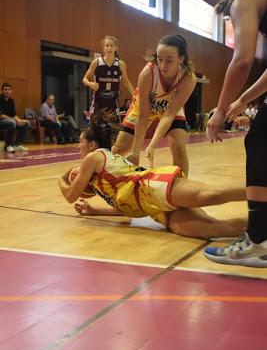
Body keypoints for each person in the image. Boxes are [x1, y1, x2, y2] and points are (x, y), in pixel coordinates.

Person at [59, 112, 247, 241]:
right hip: (154, 209)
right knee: (213, 229)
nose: (78, 146)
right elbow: (127, 208)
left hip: (152, 185)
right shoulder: (103, 180)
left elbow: (70, 196)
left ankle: (259, 189)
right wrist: (95, 211)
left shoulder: (94, 157)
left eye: (80, 142)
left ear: (92, 144)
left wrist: (62, 178)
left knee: (209, 195)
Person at [205, 0, 267, 267]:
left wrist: (219, 110)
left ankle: (258, 241)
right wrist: (242, 99)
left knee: (259, 142)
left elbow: (242, 60)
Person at [112, 34, 196, 176]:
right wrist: (135, 152)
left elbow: (169, 115)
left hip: (168, 109)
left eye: (169, 60)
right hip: (143, 109)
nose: (163, 65)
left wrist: (152, 145)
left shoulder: (188, 78)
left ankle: (181, 190)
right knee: (120, 148)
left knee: (179, 148)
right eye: (160, 59)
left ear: (181, 59)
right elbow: (143, 116)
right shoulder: (148, 73)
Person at [82, 36, 134, 124]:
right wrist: (91, 84)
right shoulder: (96, 62)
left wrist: (135, 95)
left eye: (111, 45)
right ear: (103, 48)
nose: (109, 48)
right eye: (107, 45)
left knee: (115, 131)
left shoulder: (120, 64)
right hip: (98, 103)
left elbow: (126, 81)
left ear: (116, 47)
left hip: (113, 103)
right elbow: (84, 79)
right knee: (94, 131)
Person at [0, 82, 29, 153]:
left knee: (26, 123)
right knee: (12, 123)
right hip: (1, 121)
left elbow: (14, 114)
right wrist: (13, 119)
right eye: (5, 89)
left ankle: (18, 144)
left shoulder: (11, 101)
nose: (7, 91)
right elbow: (1, 115)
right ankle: (8, 145)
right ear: (2, 90)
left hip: (9, 120)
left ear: (11, 91)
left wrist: (19, 120)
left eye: (9, 89)